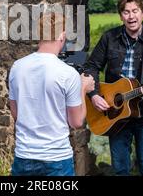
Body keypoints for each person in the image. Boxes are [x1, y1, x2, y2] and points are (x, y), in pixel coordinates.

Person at [85, 0, 143, 176]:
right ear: (120, 16)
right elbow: (91, 67)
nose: (131, 16)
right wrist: (94, 96)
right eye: (126, 12)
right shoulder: (109, 38)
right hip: (115, 113)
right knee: (120, 168)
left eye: (135, 11)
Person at [8, 12, 95, 176]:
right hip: (56, 158)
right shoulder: (68, 73)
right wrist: (83, 88)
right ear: (62, 36)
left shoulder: (17, 67)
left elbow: (16, 113)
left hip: (24, 155)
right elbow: (76, 122)